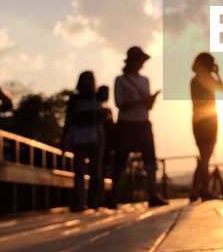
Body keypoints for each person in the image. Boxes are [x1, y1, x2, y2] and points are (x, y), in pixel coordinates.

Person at [113, 46, 168, 207]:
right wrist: (141, 101)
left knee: (150, 159)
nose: (142, 64)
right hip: (126, 124)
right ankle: (113, 197)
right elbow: (120, 104)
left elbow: (148, 107)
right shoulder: (120, 80)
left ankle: (153, 194)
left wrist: (151, 101)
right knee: (120, 159)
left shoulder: (145, 80)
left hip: (143, 122)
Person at [63, 71, 105, 210]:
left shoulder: (98, 96)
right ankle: (81, 202)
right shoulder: (74, 99)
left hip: (96, 134)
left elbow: (103, 118)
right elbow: (68, 120)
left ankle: (94, 201)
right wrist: (64, 139)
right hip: (79, 134)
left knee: (95, 170)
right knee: (79, 170)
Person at [189, 52, 223, 201]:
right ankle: (203, 190)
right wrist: (216, 75)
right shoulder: (200, 80)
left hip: (202, 121)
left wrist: (217, 75)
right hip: (206, 122)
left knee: (204, 158)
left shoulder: (196, 80)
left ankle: (196, 190)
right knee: (205, 158)